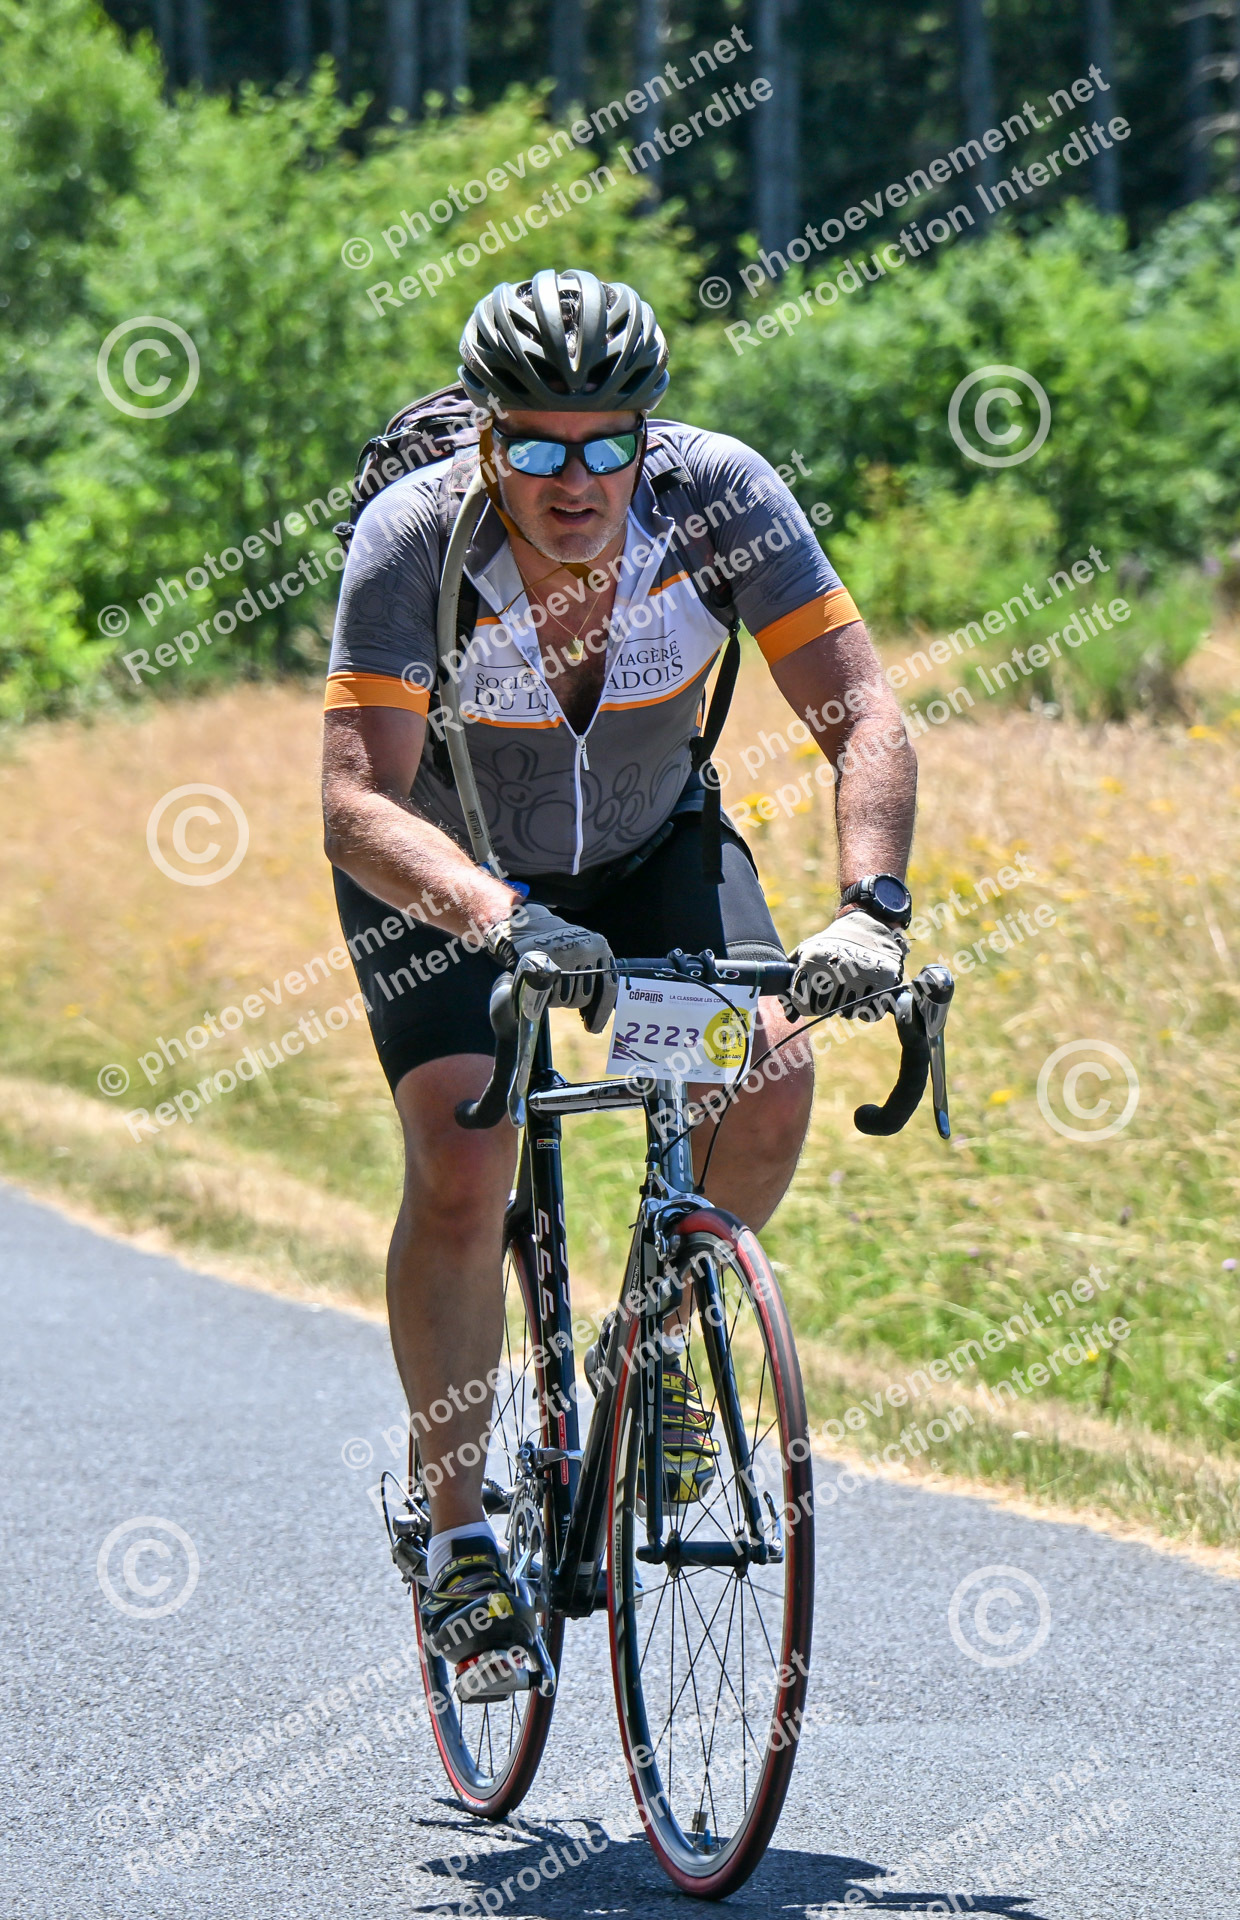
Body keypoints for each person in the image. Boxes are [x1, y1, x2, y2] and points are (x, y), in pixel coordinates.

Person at [321, 267, 916, 1687]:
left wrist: (871, 910)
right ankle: (459, 1538)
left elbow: (864, 717)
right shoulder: (415, 539)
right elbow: (355, 803)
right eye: (536, 446)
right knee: (465, 1152)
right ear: (485, 438)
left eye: (607, 444)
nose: (575, 479)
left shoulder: (721, 499)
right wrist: (498, 916)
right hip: (453, 872)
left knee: (766, 1071)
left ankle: (647, 1352)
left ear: (649, 433)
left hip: (651, 846)